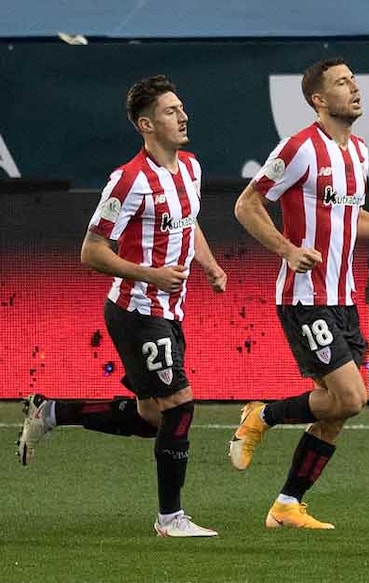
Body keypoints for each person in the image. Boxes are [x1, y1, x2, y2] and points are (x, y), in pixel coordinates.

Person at [16, 75, 226, 538]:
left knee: (153, 419)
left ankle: (50, 412)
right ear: (146, 125)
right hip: (136, 312)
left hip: (169, 312)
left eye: (182, 107)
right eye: (171, 111)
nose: (183, 115)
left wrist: (208, 266)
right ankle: (170, 519)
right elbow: (91, 252)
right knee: (180, 407)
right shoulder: (128, 180)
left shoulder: (190, 167)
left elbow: (190, 224)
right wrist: (150, 274)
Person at [230, 57, 369, 529]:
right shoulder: (300, 148)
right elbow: (247, 204)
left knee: (336, 412)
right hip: (305, 297)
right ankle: (263, 413)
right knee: (351, 397)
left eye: (355, 81)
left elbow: (351, 219)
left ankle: (286, 505)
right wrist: (285, 248)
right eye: (342, 83)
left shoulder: (359, 151)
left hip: (344, 299)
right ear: (319, 100)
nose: (355, 89)